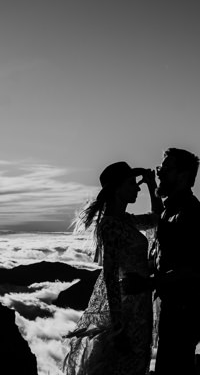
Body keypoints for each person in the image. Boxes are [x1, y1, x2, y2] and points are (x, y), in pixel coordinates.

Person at [62, 160, 163, 375]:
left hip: (139, 304)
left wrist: (151, 184)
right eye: (131, 184)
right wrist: (118, 328)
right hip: (128, 309)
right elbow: (110, 276)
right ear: (117, 188)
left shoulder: (125, 220)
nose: (137, 188)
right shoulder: (110, 225)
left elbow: (157, 218)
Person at [123, 147, 200, 375]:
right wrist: (151, 185)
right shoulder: (172, 209)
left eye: (165, 169)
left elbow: (191, 270)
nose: (159, 172)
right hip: (173, 308)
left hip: (184, 312)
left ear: (183, 175)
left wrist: (146, 284)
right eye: (159, 168)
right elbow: (161, 218)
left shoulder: (195, 214)